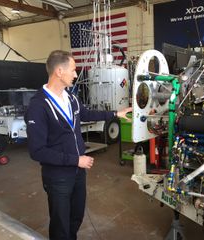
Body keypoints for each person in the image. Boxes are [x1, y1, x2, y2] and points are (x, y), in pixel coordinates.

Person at [25, 50, 131, 240]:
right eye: (73, 70)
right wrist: (76, 160)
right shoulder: (38, 105)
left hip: (77, 173)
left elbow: (87, 114)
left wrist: (115, 113)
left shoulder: (71, 98)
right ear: (59, 71)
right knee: (60, 226)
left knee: (76, 218)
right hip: (58, 177)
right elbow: (37, 151)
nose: (76, 74)